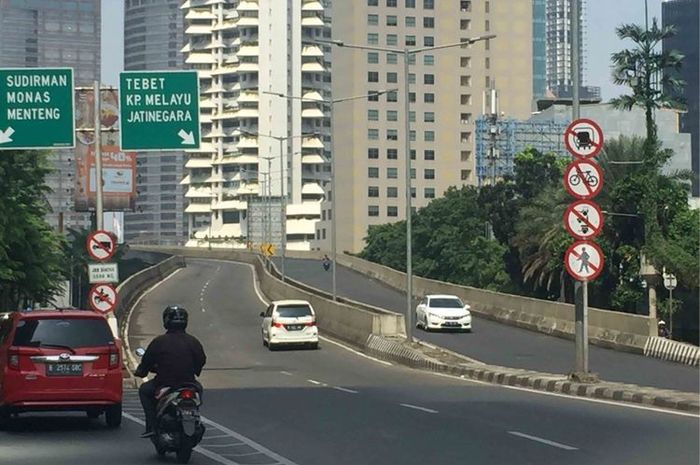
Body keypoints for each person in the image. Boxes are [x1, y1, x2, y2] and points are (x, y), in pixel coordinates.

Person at [134, 305, 206, 438]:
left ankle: (152, 425)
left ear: (166, 321)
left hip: (165, 383)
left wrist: (141, 372)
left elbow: (146, 361)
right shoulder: (193, 341)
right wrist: (194, 370)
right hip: (189, 383)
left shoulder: (159, 342)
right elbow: (201, 360)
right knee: (199, 389)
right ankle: (195, 417)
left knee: (144, 390)